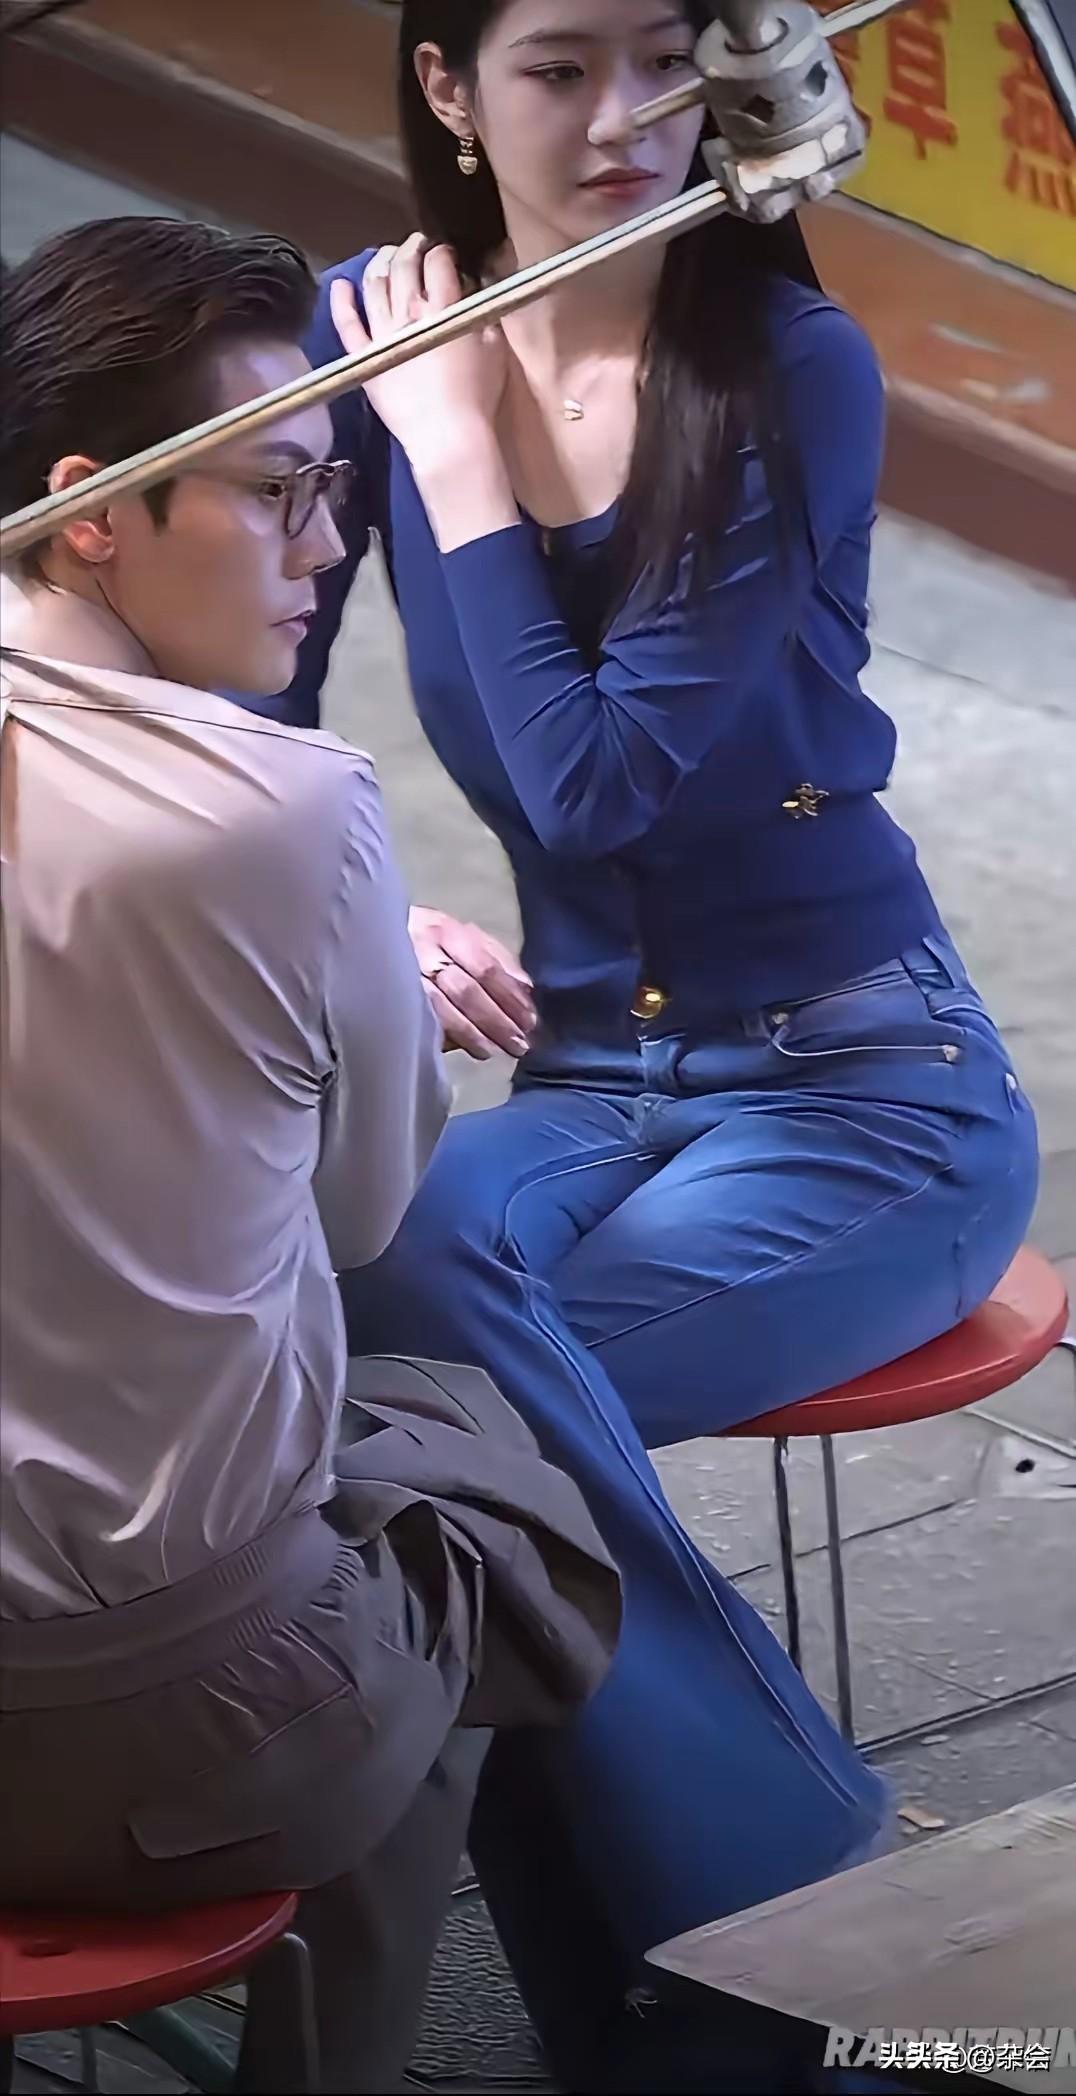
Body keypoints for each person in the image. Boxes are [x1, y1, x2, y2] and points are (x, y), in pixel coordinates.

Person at [266, 0, 1042, 2086]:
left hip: (868, 1088)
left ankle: (709, 2004)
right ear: (446, 89)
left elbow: (598, 783)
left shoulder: (782, 364)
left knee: (433, 1449)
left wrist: (454, 459)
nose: (624, 117)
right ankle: (762, 1946)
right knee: (375, 1318)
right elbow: (233, 703)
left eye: (666, 59)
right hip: (593, 1076)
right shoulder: (358, 332)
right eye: (558, 68)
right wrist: (361, 903)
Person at [0, 216, 620, 2095]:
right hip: (147, 1735)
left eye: (334, 487)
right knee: (489, 1488)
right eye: (276, 491)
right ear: (90, 514)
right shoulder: (287, 805)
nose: (328, 545)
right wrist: (370, 969)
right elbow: (358, 1214)